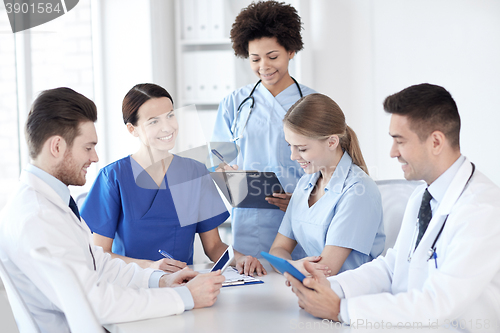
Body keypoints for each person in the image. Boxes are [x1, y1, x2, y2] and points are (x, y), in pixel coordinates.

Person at [0, 87, 226, 332]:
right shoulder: (38, 216)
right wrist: (184, 297)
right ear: (56, 147)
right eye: (88, 147)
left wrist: (161, 280)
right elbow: (94, 300)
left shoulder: (49, 203)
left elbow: (99, 264)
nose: (95, 157)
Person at [286, 84, 500, 328]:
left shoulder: (483, 210)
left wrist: (341, 309)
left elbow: (439, 304)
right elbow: (392, 268)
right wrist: (331, 287)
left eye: (400, 141)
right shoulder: (422, 196)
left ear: (436, 142)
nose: (392, 152)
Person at [81, 83, 265, 276]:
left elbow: (214, 247)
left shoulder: (195, 172)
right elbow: (100, 254)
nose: (167, 127)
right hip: (131, 287)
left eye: (170, 115)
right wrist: (149, 267)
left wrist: (241, 258)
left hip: (183, 286)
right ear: (132, 129)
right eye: (153, 121)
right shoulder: (114, 177)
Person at [212, 0, 316, 259]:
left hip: (301, 217)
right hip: (250, 220)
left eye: (272, 57)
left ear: (291, 51)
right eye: (255, 59)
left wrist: (307, 201)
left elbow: (333, 165)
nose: (264, 67)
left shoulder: (314, 104)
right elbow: (218, 158)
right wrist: (227, 173)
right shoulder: (234, 103)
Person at [269, 93, 385, 276]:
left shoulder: (358, 190)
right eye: (290, 146)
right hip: (311, 289)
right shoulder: (306, 183)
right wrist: (294, 267)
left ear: (332, 142)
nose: (293, 156)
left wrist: (290, 267)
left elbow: (325, 270)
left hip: (348, 296)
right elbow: (277, 250)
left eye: (302, 149)